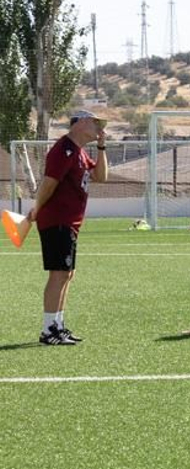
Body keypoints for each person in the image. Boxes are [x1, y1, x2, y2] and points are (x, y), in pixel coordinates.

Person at [26, 110, 108, 346]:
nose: (99, 128)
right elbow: (49, 182)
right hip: (58, 220)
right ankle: (48, 330)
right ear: (80, 123)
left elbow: (101, 176)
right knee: (59, 273)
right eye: (95, 123)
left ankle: (58, 326)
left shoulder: (80, 152)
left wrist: (102, 147)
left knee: (67, 274)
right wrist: (37, 208)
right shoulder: (65, 149)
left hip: (69, 222)